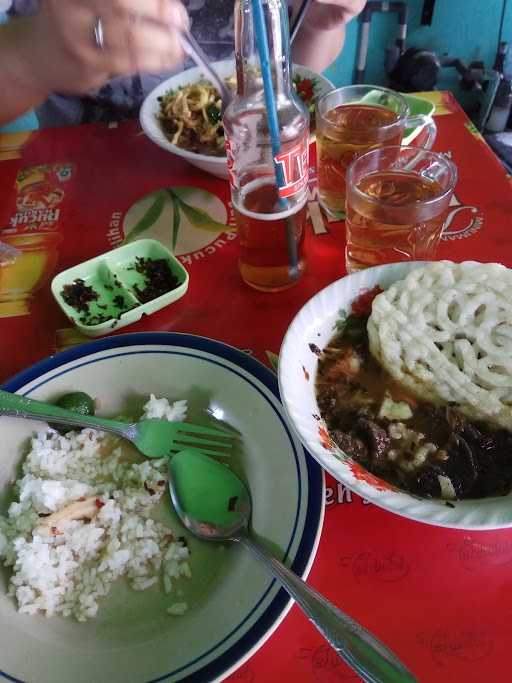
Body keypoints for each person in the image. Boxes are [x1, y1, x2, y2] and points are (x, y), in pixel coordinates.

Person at [0, 0, 365, 128]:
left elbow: (300, 67)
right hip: (84, 180)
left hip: (256, 173)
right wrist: (32, 56)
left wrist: (317, 24)